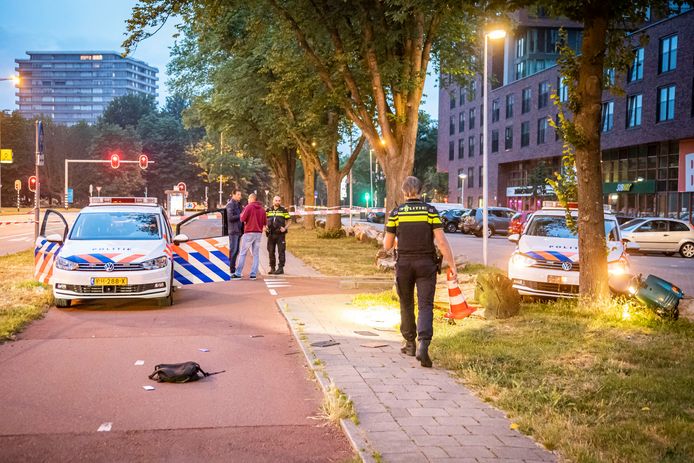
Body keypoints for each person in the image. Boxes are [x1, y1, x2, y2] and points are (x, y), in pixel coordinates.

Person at [384, 176, 457, 368]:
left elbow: (387, 245)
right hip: (426, 264)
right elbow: (441, 242)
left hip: (404, 264)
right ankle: (423, 344)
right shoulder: (430, 211)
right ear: (420, 191)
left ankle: (409, 343)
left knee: (406, 303)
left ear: (403, 191)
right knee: (425, 305)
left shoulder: (396, 213)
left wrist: (400, 240)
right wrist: (452, 264)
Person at [232, 193, 267, 280]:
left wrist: (241, 215)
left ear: (252, 198)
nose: (247, 200)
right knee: (256, 254)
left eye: (248, 198)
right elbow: (265, 223)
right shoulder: (262, 210)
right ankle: (253, 274)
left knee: (243, 253)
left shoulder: (248, 207)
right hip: (258, 233)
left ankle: (238, 273)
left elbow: (242, 219)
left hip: (249, 232)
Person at [266, 195, 291, 275]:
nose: (278, 202)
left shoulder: (283, 210)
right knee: (270, 251)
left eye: (279, 200)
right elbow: (264, 219)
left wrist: (285, 228)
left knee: (281, 251)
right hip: (271, 234)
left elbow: (289, 220)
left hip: (280, 235)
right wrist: (265, 227)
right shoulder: (268, 210)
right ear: (273, 201)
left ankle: (280, 268)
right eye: (276, 200)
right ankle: (272, 268)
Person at [225, 190, 243, 275]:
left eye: (240, 195)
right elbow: (230, 218)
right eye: (238, 194)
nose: (240, 196)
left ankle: (233, 269)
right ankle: (231, 270)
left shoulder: (238, 204)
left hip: (239, 231)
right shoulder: (230, 204)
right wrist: (240, 215)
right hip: (233, 231)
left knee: (237, 251)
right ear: (233, 195)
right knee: (233, 250)